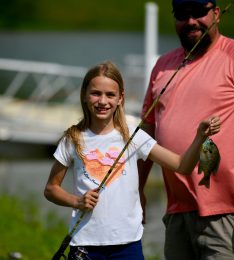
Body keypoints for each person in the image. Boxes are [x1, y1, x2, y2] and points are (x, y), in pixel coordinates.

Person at [138, 0, 234, 259]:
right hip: (177, 212)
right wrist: (136, 190)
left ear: (216, 14)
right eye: (183, 15)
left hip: (229, 211)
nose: (191, 21)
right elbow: (146, 135)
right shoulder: (162, 65)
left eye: (199, 13)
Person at [44, 61, 220, 260]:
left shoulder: (134, 136)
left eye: (110, 95)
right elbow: (51, 189)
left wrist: (199, 137)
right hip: (85, 245)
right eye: (96, 93)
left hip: (128, 245)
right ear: (85, 95)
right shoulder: (72, 138)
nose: (103, 101)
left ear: (120, 98)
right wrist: (77, 200)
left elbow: (182, 165)